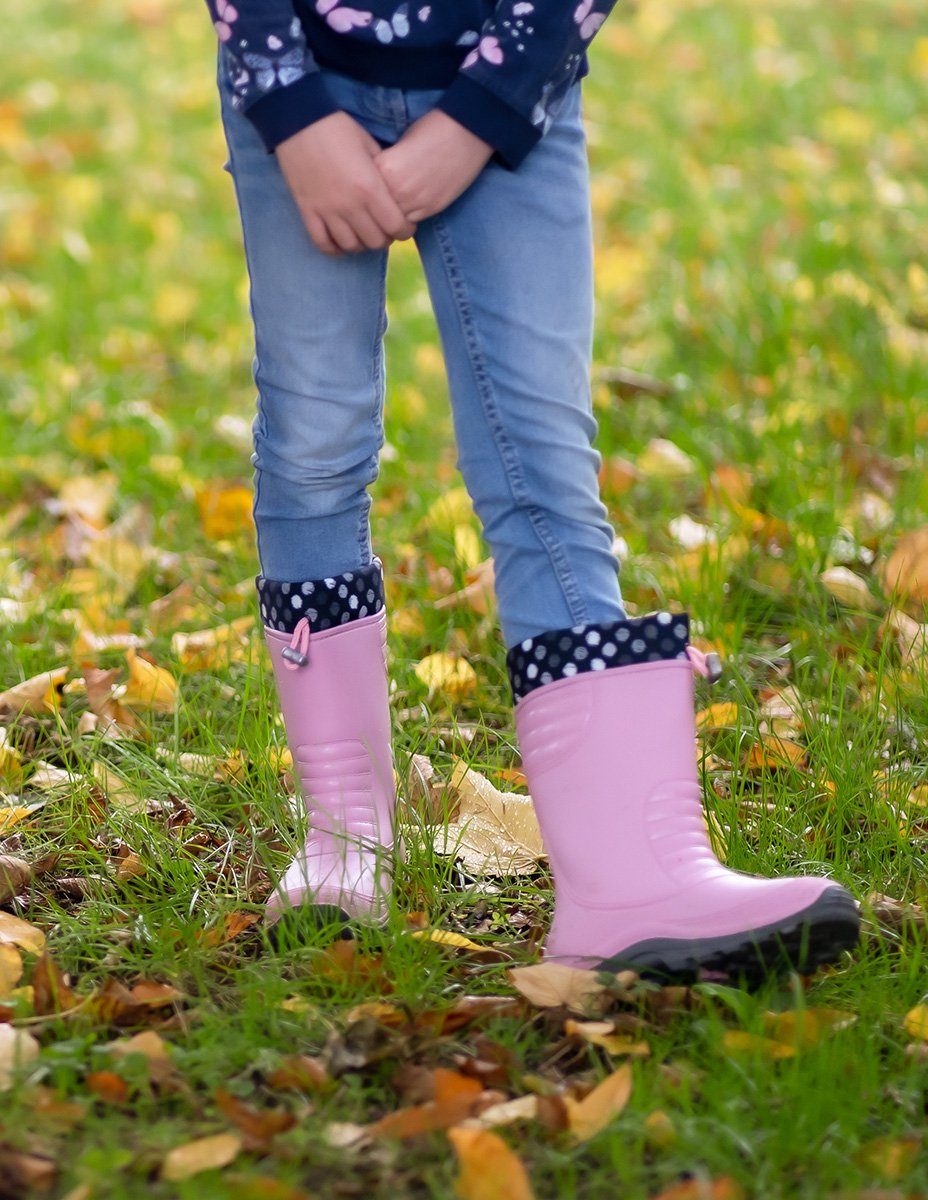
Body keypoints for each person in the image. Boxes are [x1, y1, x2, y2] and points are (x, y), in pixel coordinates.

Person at [205, 0, 860, 981]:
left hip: (510, 75)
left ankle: (628, 877)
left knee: (542, 453)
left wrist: (478, 116)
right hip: (299, 80)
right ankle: (345, 841)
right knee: (313, 435)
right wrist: (291, 105)